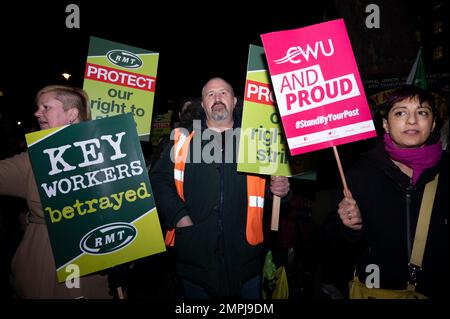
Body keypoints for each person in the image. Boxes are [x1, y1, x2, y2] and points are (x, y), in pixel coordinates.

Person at [150, 77, 290, 298]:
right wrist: (180, 218)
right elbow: (158, 180)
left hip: (246, 262)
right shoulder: (182, 140)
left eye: (223, 93)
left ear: (234, 101)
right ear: (203, 104)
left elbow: (272, 189)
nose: (217, 98)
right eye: (210, 94)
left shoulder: (256, 140)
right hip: (194, 261)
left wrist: (281, 190)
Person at [337, 85, 448, 298]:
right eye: (400, 112)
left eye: (422, 112)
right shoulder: (361, 172)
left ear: (433, 123)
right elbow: (338, 245)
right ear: (386, 124)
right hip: (378, 290)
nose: (412, 120)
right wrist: (351, 226)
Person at [0, 85, 111, 298]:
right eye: (37, 107)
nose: (37, 112)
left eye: (46, 107)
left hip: (92, 266)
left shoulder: (107, 154)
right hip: (40, 265)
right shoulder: (34, 159)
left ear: (72, 114)